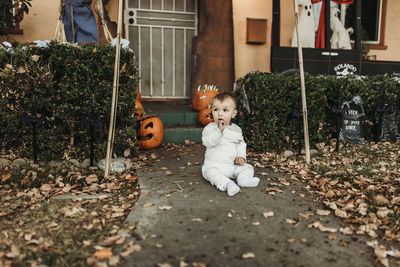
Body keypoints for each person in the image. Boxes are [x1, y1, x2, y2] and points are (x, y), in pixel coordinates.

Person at [201, 92, 260, 196]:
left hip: (231, 165)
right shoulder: (210, 128)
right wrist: (218, 131)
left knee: (247, 167)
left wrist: (241, 156)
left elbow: (241, 144)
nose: (220, 114)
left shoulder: (236, 129)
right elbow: (207, 142)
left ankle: (243, 179)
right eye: (216, 110)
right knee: (210, 173)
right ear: (212, 111)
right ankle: (227, 184)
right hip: (214, 165)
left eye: (225, 110)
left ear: (233, 114)